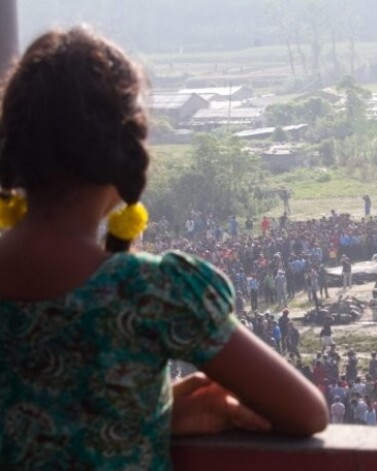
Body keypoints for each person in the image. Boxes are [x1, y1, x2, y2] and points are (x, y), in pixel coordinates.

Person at [0, 28, 328, 469]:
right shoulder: (152, 291)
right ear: (124, 152)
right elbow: (306, 411)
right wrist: (158, 413)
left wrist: (147, 412)